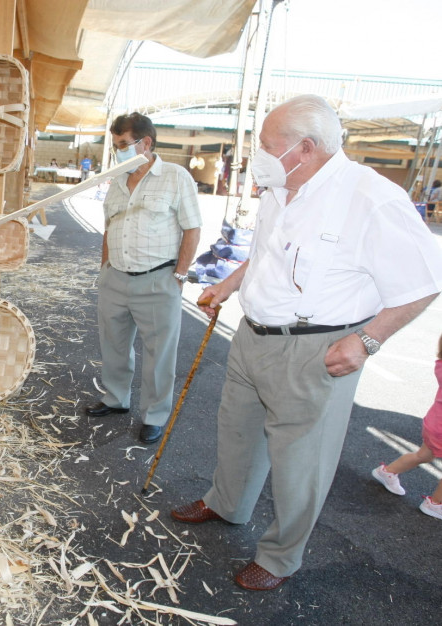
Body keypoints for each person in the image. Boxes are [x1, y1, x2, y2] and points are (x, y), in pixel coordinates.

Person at [170, 95, 442, 591]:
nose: (258, 155)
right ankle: (227, 502)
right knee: (237, 431)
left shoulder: (370, 198)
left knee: (301, 462)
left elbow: (424, 281)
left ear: (306, 149)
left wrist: (366, 341)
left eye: (268, 146)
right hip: (252, 335)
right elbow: (271, 252)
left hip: (315, 350)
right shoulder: (282, 185)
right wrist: (232, 282)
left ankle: (279, 557)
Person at [83, 112, 202, 445]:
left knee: (158, 354)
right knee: (114, 344)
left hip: (157, 279)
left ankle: (154, 415)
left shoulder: (175, 177)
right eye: (116, 145)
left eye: (123, 144)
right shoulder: (117, 181)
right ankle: (116, 398)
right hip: (116, 280)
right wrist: (105, 269)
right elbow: (109, 228)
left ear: (145, 143)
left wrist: (179, 274)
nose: (118, 151)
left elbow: (192, 227)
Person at [371, 332, 442, 520]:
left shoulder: (440, 364)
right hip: (441, 427)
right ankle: (435, 504)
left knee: (423, 455)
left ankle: (387, 472)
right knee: (424, 455)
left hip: (434, 422)